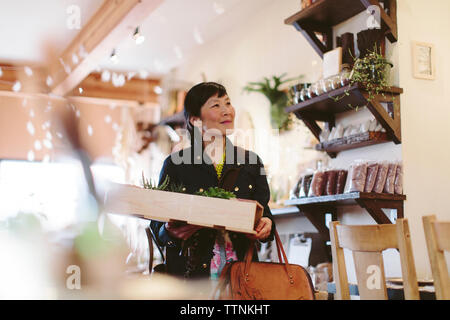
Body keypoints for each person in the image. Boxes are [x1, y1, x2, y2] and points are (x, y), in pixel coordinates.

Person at [150, 82, 275, 280]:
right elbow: (157, 228)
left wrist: (266, 225)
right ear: (196, 120)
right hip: (190, 279)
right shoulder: (175, 165)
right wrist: (170, 232)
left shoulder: (251, 162)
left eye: (228, 103)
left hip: (242, 279)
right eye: (216, 105)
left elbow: (265, 213)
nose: (227, 111)